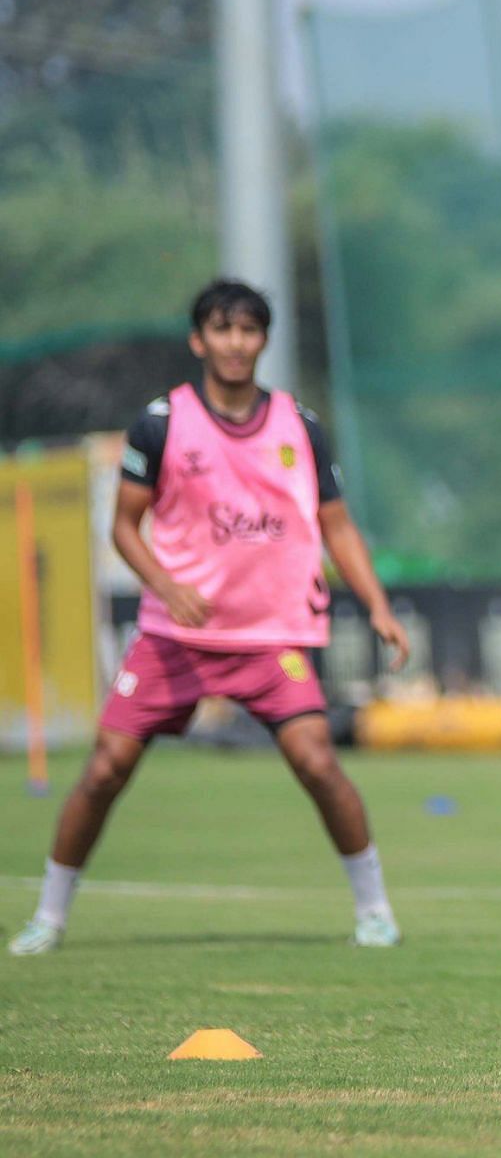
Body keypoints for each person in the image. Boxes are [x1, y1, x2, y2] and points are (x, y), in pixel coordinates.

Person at [8, 280, 412, 957]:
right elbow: (124, 528)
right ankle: (48, 918)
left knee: (316, 760)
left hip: (271, 634)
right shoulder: (162, 423)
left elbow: (336, 528)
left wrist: (376, 604)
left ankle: (375, 912)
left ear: (263, 341)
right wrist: (167, 586)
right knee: (107, 768)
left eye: (248, 330)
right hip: (176, 636)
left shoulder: (298, 426)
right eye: (221, 330)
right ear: (199, 341)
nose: (235, 343)